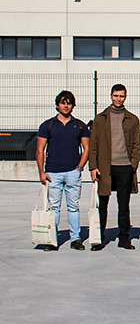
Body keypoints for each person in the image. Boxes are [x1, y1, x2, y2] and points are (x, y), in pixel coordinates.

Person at [36, 90, 90, 251]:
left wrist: (79, 168)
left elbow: (87, 148)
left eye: (69, 103)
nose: (66, 106)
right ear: (57, 105)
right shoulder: (47, 125)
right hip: (53, 173)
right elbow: (40, 150)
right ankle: (51, 239)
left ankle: (76, 238)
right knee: (54, 208)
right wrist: (41, 172)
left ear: (73, 106)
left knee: (73, 207)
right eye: (63, 103)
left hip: (73, 173)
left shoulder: (80, 125)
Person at [89, 84, 140, 251]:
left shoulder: (132, 119)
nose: (118, 99)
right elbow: (93, 144)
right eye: (116, 96)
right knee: (102, 204)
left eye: (121, 96)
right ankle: (99, 237)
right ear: (111, 96)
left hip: (125, 167)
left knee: (123, 205)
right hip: (105, 168)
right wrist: (93, 166)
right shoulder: (100, 119)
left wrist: (133, 165)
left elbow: (136, 144)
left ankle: (124, 237)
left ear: (125, 97)